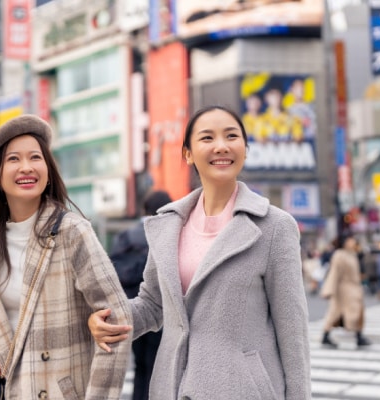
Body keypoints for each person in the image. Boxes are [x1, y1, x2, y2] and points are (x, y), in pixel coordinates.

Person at [88, 106, 311, 399]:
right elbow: (153, 305)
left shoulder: (274, 226)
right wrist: (108, 319)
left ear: (245, 148)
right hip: (171, 386)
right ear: (188, 153)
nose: (221, 146)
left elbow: (292, 330)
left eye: (232, 136)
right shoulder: (168, 224)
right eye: (207, 138)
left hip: (242, 391)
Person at [0, 115, 132, 399]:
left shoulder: (71, 232)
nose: (26, 167)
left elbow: (117, 320)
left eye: (35, 157)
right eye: (13, 159)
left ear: (48, 170)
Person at [108, 190, 172, 400]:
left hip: (131, 308)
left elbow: (112, 270)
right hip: (159, 308)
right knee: (156, 364)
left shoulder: (126, 236)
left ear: (144, 209)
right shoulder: (167, 233)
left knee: (140, 365)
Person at [320, 235, 371, 349]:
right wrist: (329, 289)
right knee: (335, 312)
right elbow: (334, 273)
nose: (353, 241)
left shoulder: (352, 254)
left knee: (357, 312)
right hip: (343, 289)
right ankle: (327, 335)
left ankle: (358, 335)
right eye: (350, 239)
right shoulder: (340, 255)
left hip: (353, 288)